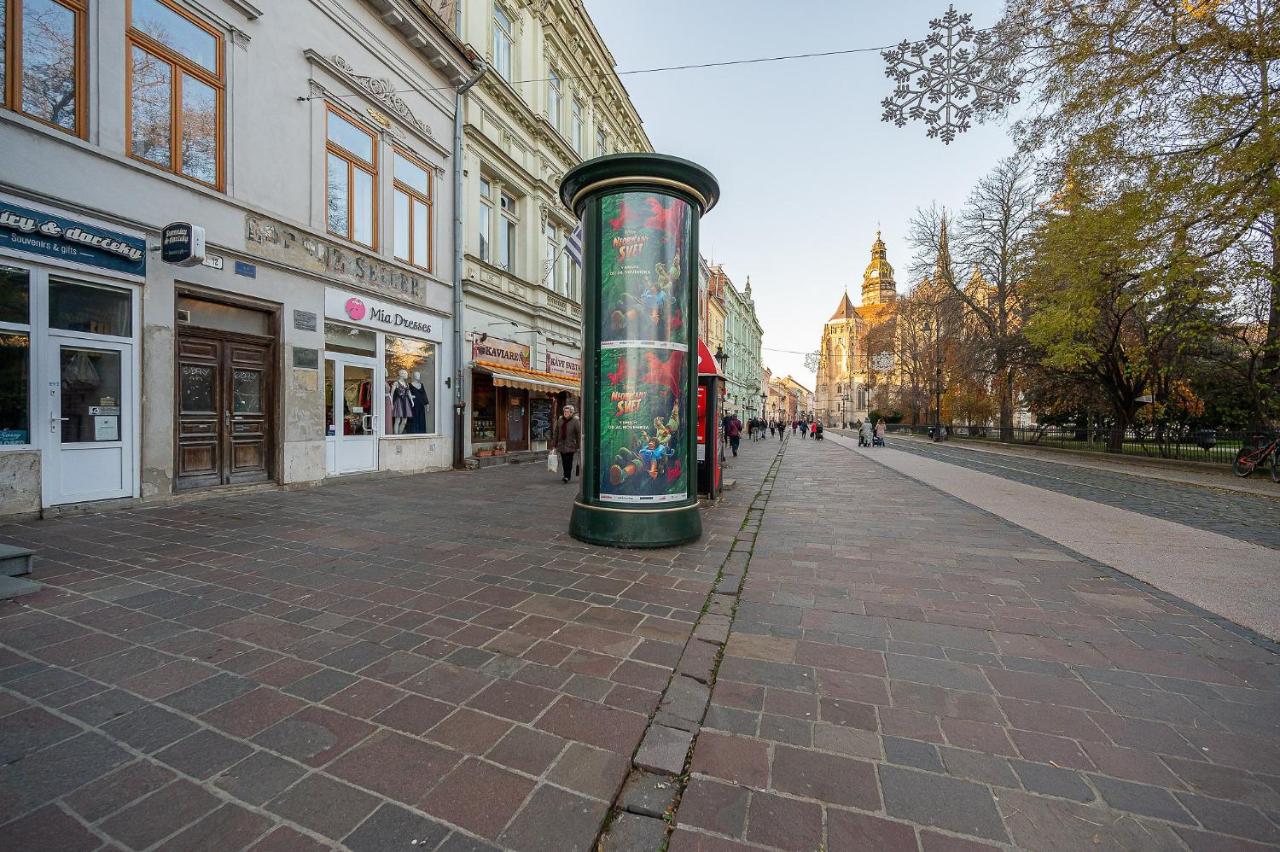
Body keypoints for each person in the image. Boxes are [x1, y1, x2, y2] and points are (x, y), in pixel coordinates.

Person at [552, 404, 581, 483]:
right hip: (561, 444)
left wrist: (579, 445)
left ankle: (567, 476)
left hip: (571, 444)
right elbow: (556, 432)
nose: (566, 413)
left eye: (567, 412)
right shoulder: (560, 420)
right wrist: (554, 444)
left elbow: (578, 434)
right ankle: (565, 475)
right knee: (564, 461)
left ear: (571, 413)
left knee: (569, 461)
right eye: (565, 411)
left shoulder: (575, 421)